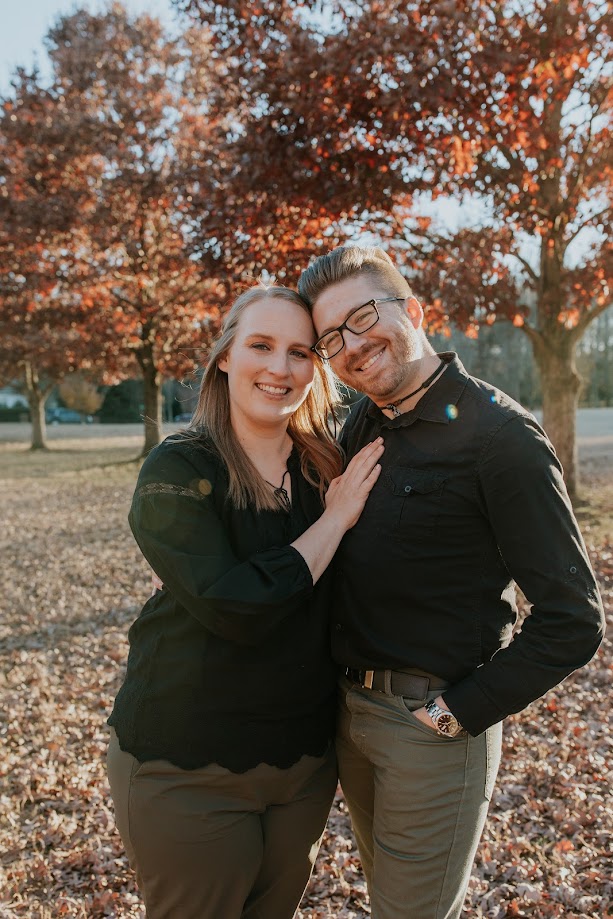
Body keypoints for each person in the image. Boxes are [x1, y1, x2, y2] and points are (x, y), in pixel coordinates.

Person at [297, 246, 605, 919]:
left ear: (412, 309)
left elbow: (572, 618)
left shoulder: (500, 437)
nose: (351, 345)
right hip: (350, 719)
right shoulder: (364, 423)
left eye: (363, 317)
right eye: (330, 338)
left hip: (429, 728)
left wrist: (457, 711)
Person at [106, 284, 384, 919]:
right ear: (226, 356)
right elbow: (235, 607)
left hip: (304, 765)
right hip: (189, 762)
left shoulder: (327, 467)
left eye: (300, 352)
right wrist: (333, 523)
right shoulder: (177, 469)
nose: (280, 368)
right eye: (261, 345)